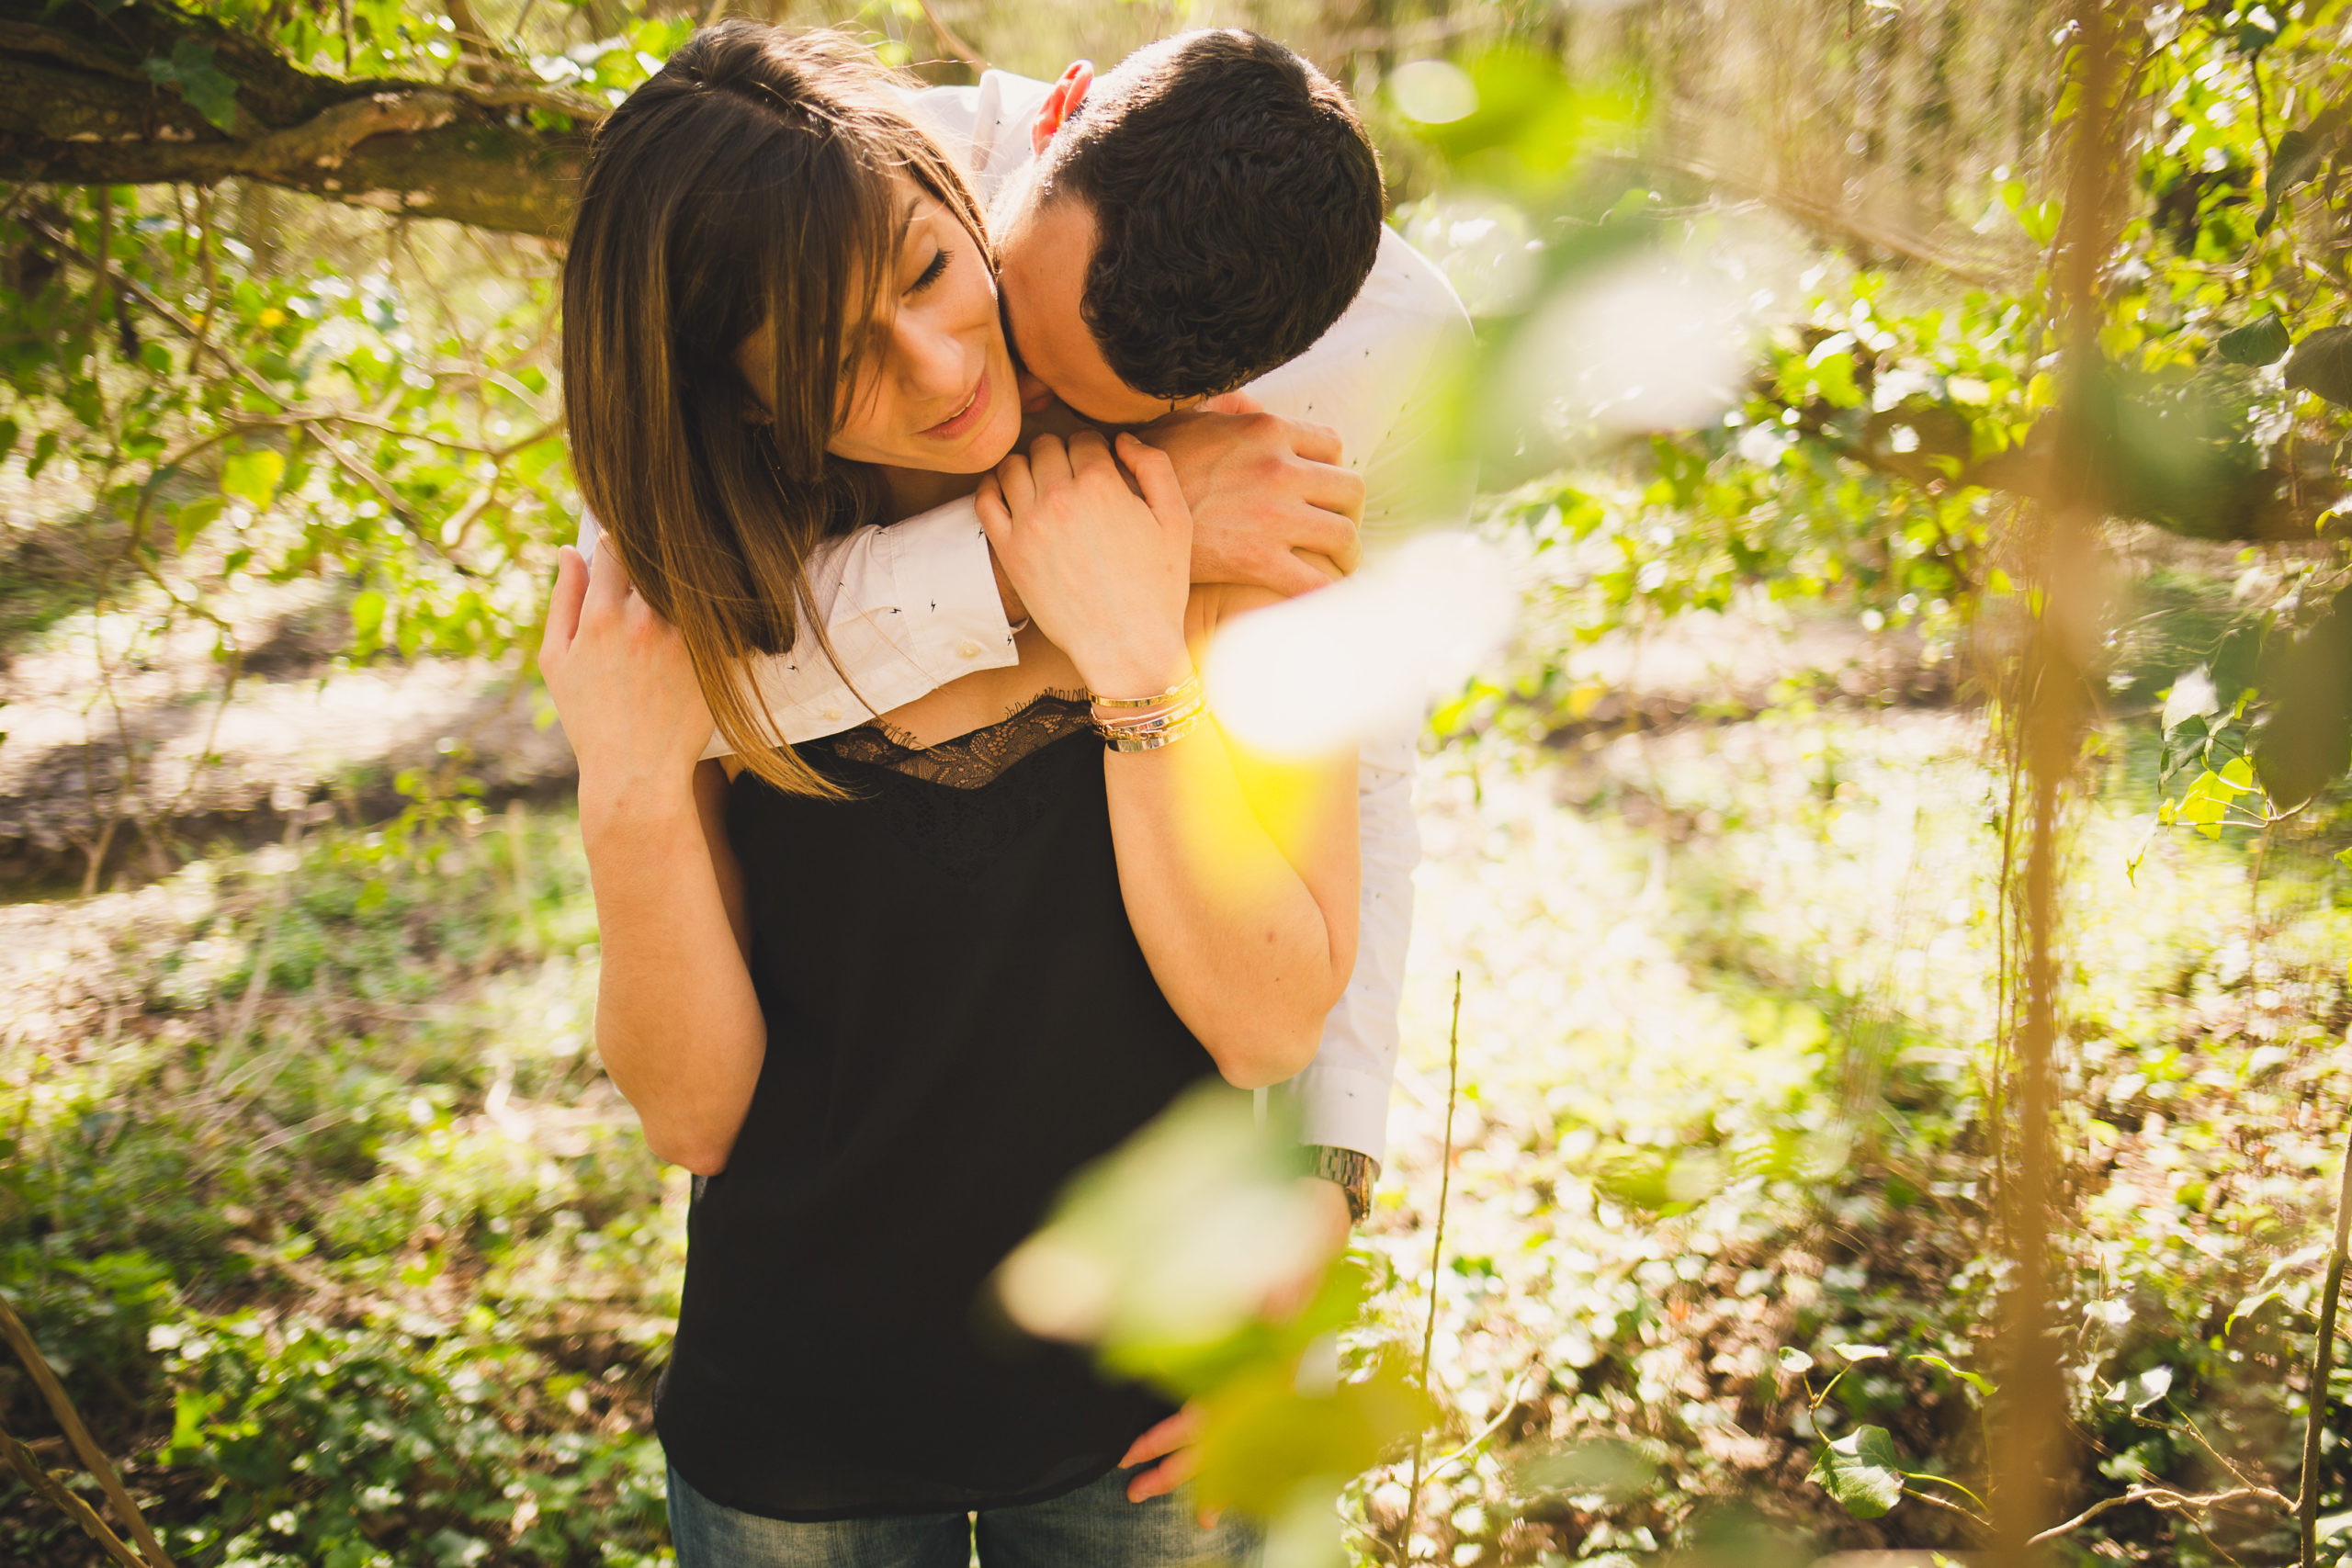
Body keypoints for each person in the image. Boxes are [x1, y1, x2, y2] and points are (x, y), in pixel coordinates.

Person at [572, 41, 1476, 1492]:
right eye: (1007, 321)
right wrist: (1080, 565)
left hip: (1147, 1412)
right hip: (799, 1405)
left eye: (1110, 418)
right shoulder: (808, 213)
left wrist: (1327, 1175)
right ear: (1024, 144)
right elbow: (681, 678)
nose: (981, 397)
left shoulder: (1356, 378)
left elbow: (1364, 778)